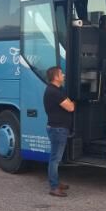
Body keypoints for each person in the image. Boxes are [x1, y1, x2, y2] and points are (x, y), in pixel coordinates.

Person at [43, 66, 75, 197]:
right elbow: (70, 107)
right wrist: (71, 103)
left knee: (56, 158)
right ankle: (54, 187)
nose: (64, 75)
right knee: (55, 159)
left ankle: (56, 182)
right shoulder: (54, 92)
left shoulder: (57, 90)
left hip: (57, 128)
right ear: (56, 77)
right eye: (61, 74)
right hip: (58, 129)